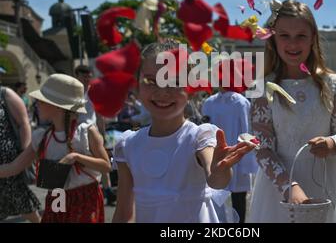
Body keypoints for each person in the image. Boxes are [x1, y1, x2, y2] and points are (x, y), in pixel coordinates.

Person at [112, 40, 256, 223]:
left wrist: (220, 170)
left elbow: (215, 179)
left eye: (175, 81)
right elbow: (123, 213)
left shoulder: (199, 137)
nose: (163, 91)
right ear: (136, 85)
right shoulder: (127, 145)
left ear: (191, 88)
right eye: (150, 81)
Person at [248, 0, 336, 223]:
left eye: (301, 36)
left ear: (312, 40)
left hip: (326, 180)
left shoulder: (331, 83)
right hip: (279, 186)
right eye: (284, 36)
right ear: (273, 39)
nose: (293, 43)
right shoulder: (261, 87)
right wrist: (289, 187)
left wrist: (332, 143)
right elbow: (262, 148)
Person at [0, 74, 111, 222]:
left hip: (85, 198)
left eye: (41, 101)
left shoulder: (86, 132)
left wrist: (75, 157)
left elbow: (106, 166)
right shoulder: (42, 137)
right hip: (57, 197)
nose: (37, 104)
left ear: (57, 106)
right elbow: (14, 167)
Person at [202, 89, 258, 223]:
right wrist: (248, 163)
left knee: (216, 199)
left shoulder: (209, 102)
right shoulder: (241, 102)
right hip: (237, 156)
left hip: (213, 155)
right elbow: (247, 130)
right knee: (238, 201)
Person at [75, 65, 116, 205]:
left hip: (93, 130)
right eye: (84, 76)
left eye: (89, 76)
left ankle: (108, 190)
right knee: (84, 163)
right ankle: (85, 190)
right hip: (78, 132)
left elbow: (100, 116)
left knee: (102, 160)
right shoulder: (73, 93)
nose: (87, 79)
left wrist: (103, 135)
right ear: (77, 76)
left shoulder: (94, 93)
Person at [0, 85, 41, 222]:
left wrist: (25, 153)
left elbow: (24, 123)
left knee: (22, 201)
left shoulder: (5, 93)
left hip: (9, 161)